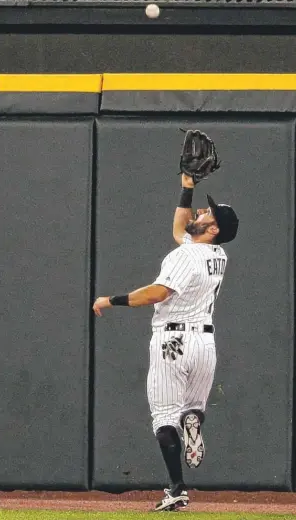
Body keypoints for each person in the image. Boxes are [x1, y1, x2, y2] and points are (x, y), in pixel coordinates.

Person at [93, 174, 239, 512]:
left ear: (213, 229)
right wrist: (186, 187)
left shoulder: (184, 258)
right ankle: (193, 421)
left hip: (172, 341)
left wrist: (109, 300)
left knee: (163, 419)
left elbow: (158, 293)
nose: (201, 211)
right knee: (191, 409)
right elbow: (181, 229)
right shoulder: (217, 256)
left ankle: (176, 489)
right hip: (204, 344)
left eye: (208, 214)